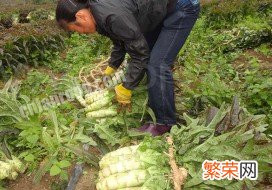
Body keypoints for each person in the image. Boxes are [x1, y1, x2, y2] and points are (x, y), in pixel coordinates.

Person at [56, 0, 200, 136]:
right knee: (149, 54)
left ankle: (164, 122)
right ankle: (158, 104)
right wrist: (112, 66)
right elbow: (121, 39)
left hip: (181, 7)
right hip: (160, 8)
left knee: (157, 64)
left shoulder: (111, 14)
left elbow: (140, 54)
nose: (80, 33)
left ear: (80, 16)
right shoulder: (98, 12)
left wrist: (127, 87)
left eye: (75, 29)